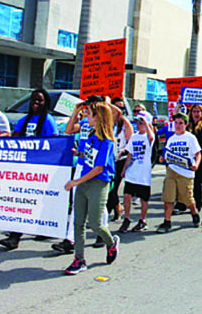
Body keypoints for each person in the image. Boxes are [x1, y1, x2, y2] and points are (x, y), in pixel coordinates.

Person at [63, 101, 119, 275]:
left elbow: (98, 168)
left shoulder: (107, 141)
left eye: (90, 114)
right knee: (78, 222)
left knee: (95, 224)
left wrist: (76, 182)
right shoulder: (91, 135)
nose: (87, 117)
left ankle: (111, 244)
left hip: (98, 183)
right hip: (84, 182)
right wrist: (78, 154)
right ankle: (79, 259)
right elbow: (89, 157)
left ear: (99, 117)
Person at [0, 89, 59, 250]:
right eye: (34, 100)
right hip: (24, 166)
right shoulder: (23, 119)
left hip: (41, 167)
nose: (36, 103)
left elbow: (54, 143)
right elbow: (15, 139)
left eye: (40, 100)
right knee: (22, 200)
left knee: (35, 201)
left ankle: (24, 233)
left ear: (45, 103)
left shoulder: (49, 120)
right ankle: (15, 236)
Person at [156, 112, 202, 233]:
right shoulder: (171, 139)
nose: (178, 125)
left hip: (186, 173)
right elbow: (166, 154)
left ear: (186, 124)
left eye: (181, 123)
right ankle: (167, 222)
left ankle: (194, 213)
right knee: (168, 198)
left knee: (187, 198)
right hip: (172, 171)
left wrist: (196, 164)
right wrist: (162, 158)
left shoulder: (190, 138)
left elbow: (198, 154)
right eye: (176, 123)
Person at [118, 110, 155, 233]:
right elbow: (130, 153)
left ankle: (142, 220)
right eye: (137, 122)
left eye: (141, 122)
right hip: (132, 172)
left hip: (143, 174)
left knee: (144, 198)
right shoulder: (134, 137)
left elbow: (151, 138)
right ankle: (127, 218)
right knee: (127, 195)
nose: (138, 125)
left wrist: (147, 124)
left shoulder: (149, 136)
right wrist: (124, 169)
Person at [106, 97, 133, 222]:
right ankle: (116, 208)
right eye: (117, 106)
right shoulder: (106, 121)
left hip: (120, 160)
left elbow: (130, 141)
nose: (119, 109)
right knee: (107, 187)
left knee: (113, 187)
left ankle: (111, 210)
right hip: (107, 158)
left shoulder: (124, 123)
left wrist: (124, 151)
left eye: (121, 107)